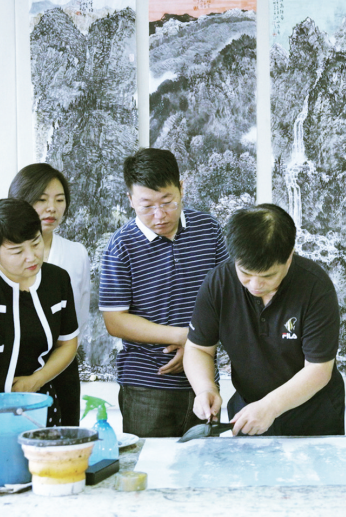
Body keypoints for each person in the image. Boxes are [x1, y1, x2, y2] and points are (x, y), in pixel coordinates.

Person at [183, 204, 345, 436]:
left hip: (311, 414)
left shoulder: (315, 287)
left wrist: (270, 406)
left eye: (268, 276)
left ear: (289, 257)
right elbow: (198, 348)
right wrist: (205, 388)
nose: (255, 285)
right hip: (248, 410)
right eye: (246, 274)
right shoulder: (219, 283)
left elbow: (318, 369)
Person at [100, 148, 228, 437]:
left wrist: (195, 351)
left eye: (168, 202)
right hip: (147, 385)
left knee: (206, 460)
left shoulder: (209, 229)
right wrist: (186, 337)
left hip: (204, 383)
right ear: (130, 200)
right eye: (146, 206)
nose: (159, 216)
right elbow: (115, 321)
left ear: (181, 188)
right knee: (149, 461)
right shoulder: (121, 246)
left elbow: (228, 297)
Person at [0, 199, 79, 426]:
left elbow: (67, 344)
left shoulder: (57, 279)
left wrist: (36, 380)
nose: (31, 256)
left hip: (41, 404)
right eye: (17, 251)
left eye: (36, 243)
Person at [8, 163, 89, 426]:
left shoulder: (76, 253)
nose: (51, 208)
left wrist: (49, 370)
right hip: (13, 374)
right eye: (41, 200)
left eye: (59, 200)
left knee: (65, 443)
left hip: (62, 369)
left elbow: (79, 319)